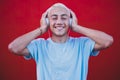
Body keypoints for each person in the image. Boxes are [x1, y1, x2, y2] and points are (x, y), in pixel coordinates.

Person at [8, 3, 113, 80]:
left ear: (70, 21)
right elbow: (14, 47)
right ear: (47, 21)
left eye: (64, 18)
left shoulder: (82, 44)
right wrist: (42, 29)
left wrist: (76, 27)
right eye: (54, 18)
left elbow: (107, 41)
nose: (59, 22)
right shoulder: (39, 45)